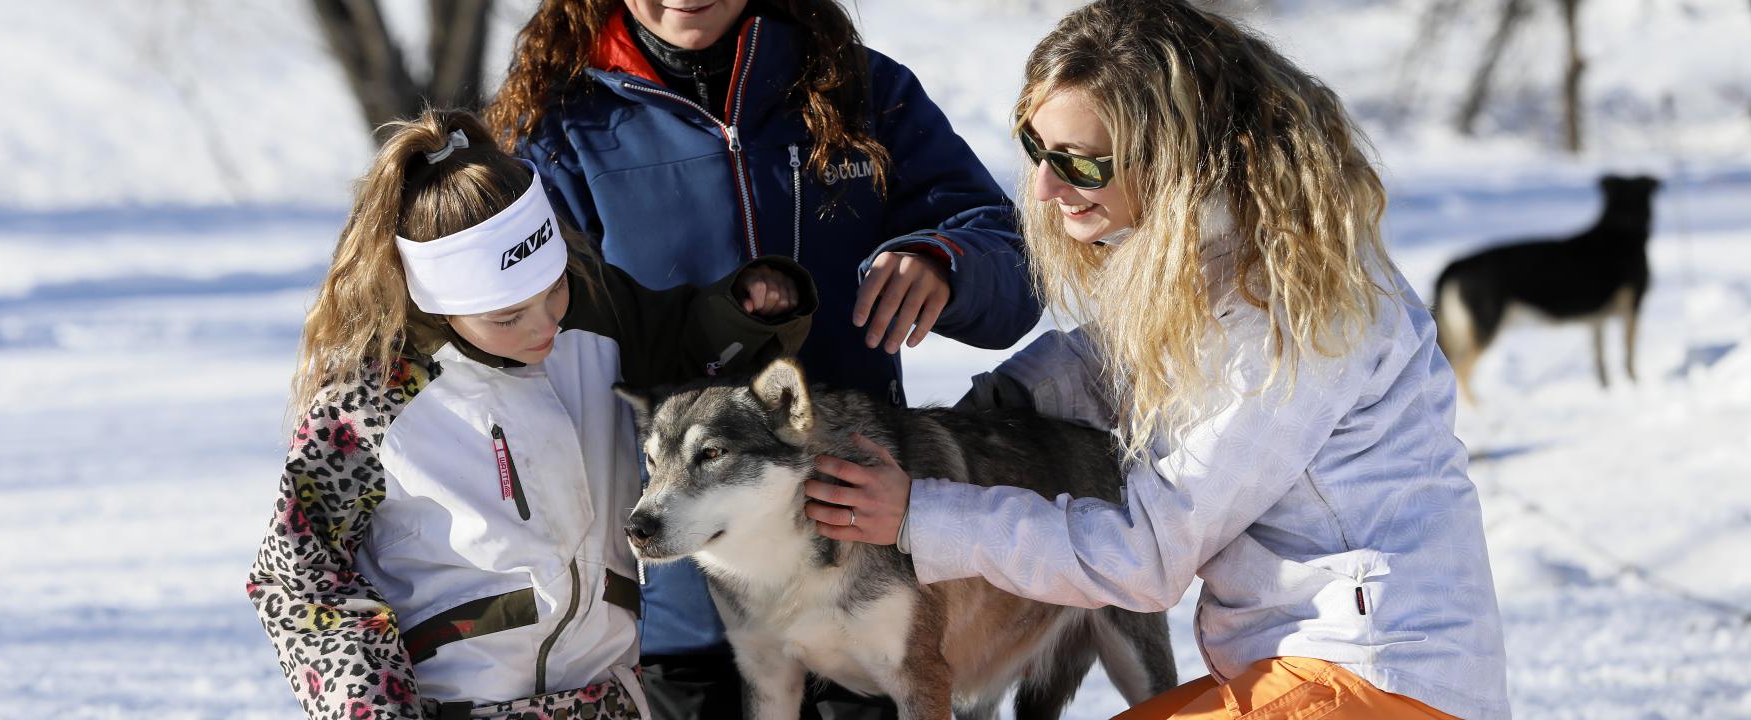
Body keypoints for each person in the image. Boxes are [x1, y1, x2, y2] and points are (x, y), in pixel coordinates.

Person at [804, 2, 1513, 719]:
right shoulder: (1222, 264)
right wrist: (983, 419)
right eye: (1035, 148)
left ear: (1174, 158)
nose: (1046, 188)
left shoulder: (1290, 314)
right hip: (1305, 665)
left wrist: (920, 515)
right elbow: (1105, 363)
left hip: (1376, 675)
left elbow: (1144, 557)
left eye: (1081, 161)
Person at [484, 2, 1042, 717]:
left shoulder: (855, 91)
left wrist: (947, 262)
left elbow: (1014, 263)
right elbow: (515, 344)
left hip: (866, 570)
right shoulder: (559, 130)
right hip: (683, 610)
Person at [247, 109, 815, 720]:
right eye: (507, 317)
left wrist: (744, 313)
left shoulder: (596, 311)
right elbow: (296, 579)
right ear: (438, 304)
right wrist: (371, 705)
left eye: (553, 291)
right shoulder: (373, 402)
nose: (546, 324)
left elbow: (686, 344)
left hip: (609, 699)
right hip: (459, 704)